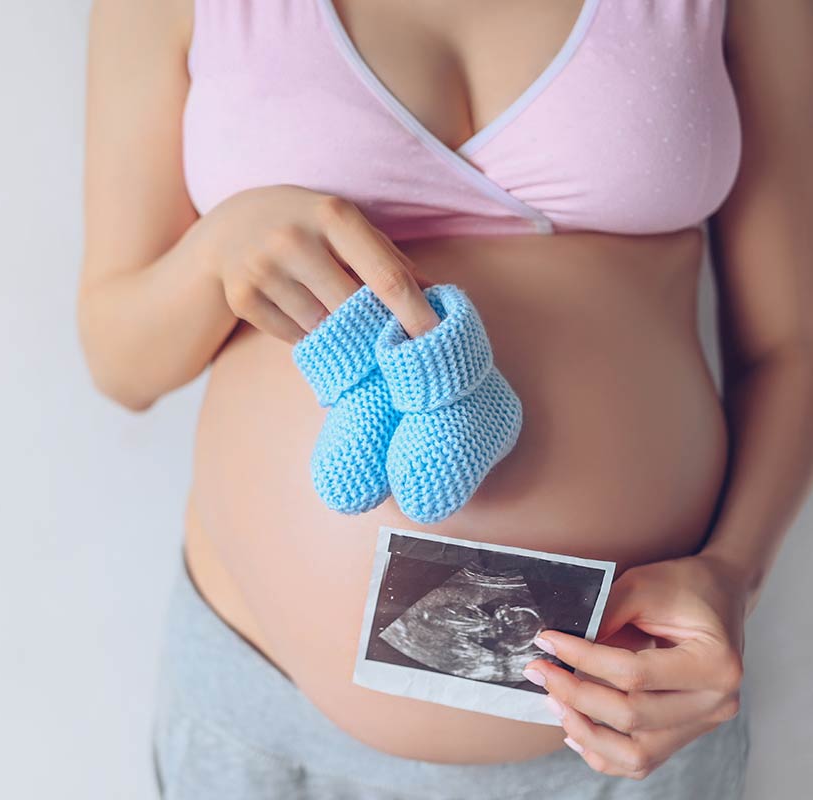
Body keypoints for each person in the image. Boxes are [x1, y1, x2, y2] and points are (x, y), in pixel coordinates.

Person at [77, 0, 813, 797]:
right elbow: (121, 365)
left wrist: (734, 574)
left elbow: (791, 346)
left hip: (632, 722)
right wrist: (214, 255)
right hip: (268, 722)